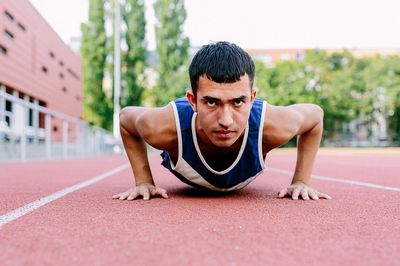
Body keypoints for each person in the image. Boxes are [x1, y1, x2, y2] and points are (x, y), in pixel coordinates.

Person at [112, 41, 331, 201]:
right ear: (193, 101)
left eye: (238, 102)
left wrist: (301, 181)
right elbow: (125, 119)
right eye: (211, 102)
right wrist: (143, 181)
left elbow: (315, 115)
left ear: (252, 99)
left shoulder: (273, 125)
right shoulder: (165, 127)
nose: (225, 120)